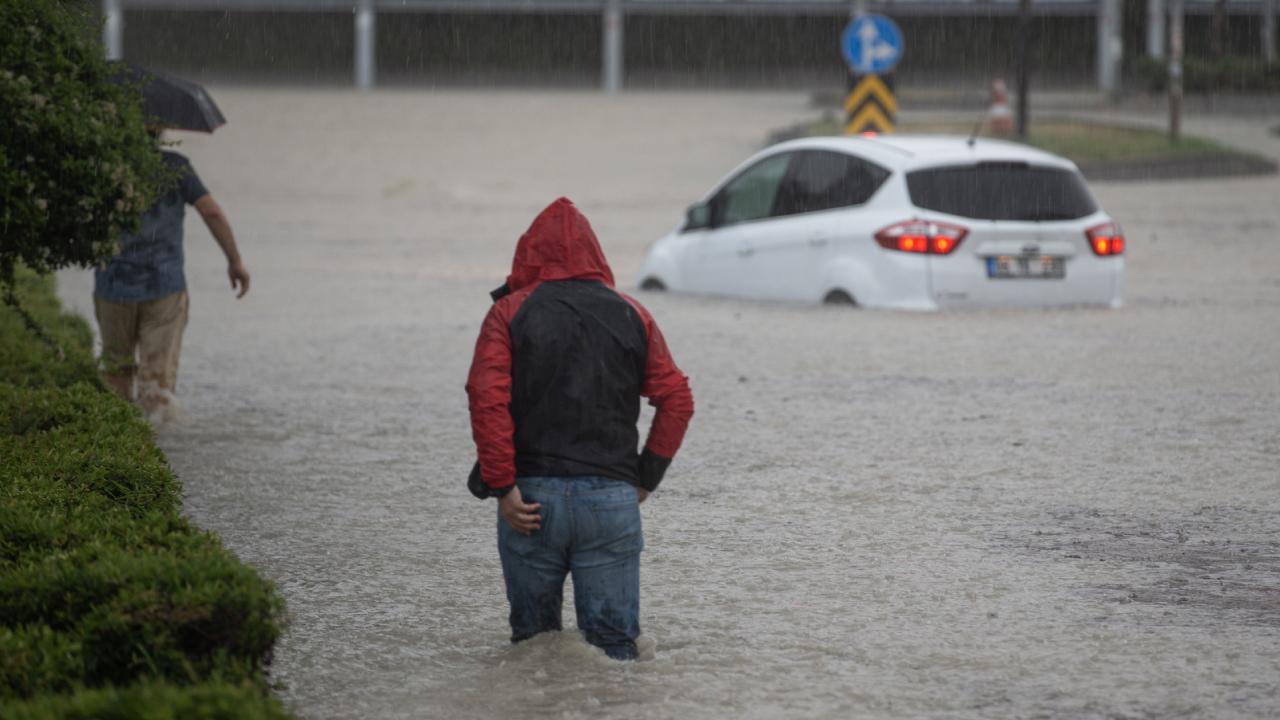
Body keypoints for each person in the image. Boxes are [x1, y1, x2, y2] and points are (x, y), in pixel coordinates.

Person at [466, 197, 694, 661]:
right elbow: (677, 400)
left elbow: (486, 400)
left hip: (529, 500)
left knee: (533, 650)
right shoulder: (633, 313)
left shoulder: (508, 313)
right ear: (596, 254)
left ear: (527, 254)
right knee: (614, 655)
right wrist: (646, 477)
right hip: (610, 499)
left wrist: (502, 486)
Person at [93, 131, 249, 421]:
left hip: (113, 284)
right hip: (164, 288)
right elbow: (211, 212)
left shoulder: (105, 165)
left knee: (116, 373)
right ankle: (160, 454)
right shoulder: (175, 167)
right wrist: (235, 261)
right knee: (157, 384)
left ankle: (117, 443)